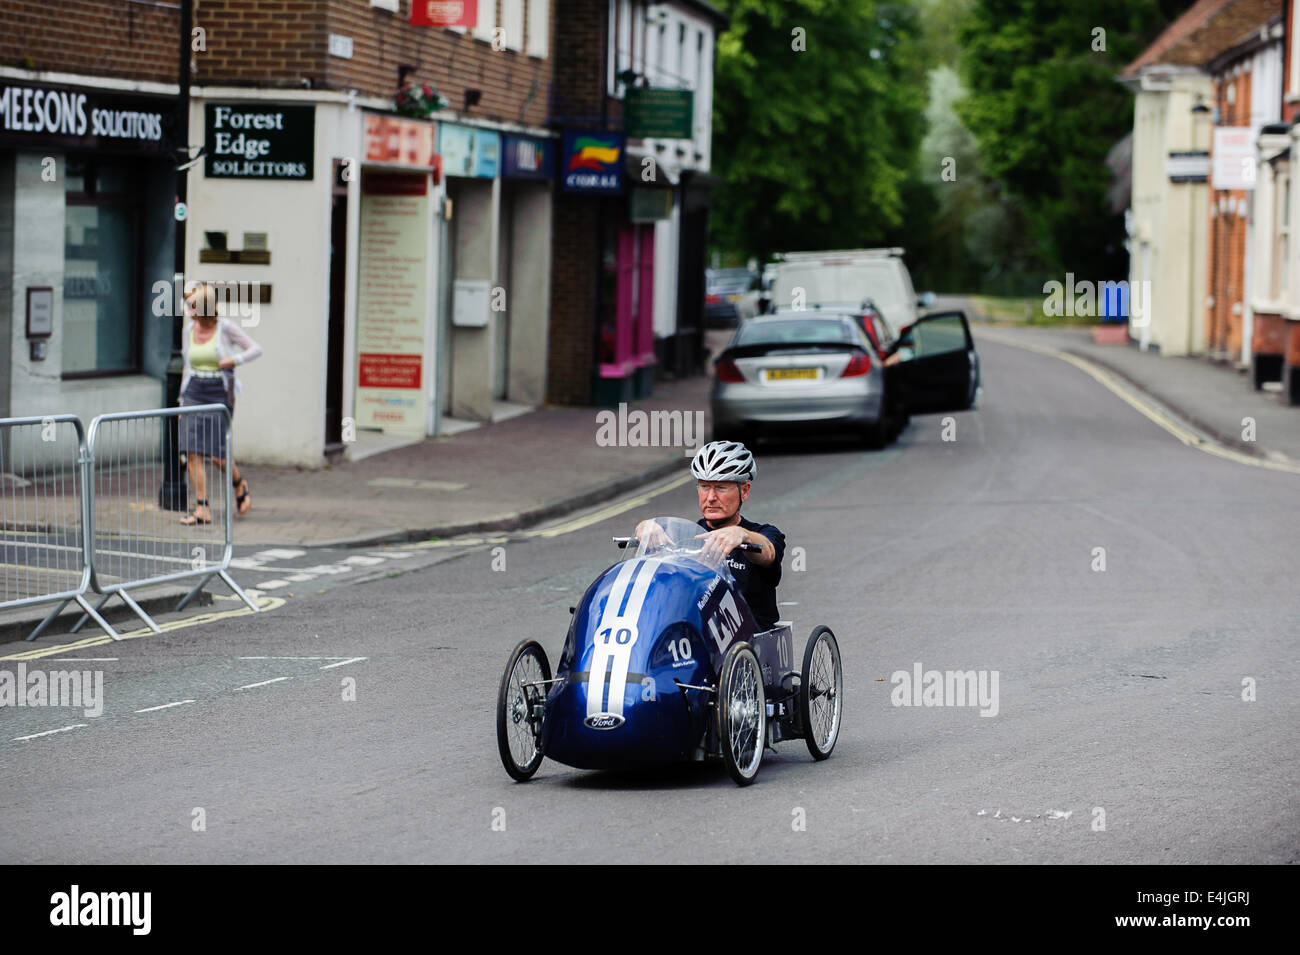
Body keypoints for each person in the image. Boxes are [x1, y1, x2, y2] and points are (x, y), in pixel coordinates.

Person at [636, 440, 785, 631]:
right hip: (695, 631)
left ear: (745, 491)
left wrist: (743, 535)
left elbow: (768, 552)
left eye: (721, 487)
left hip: (747, 637)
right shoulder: (685, 536)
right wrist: (645, 527)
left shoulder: (763, 533)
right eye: (705, 487)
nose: (711, 497)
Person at [178, 282, 263, 525]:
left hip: (218, 392)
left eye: (192, 305)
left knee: (217, 455)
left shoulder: (224, 328)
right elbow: (187, 366)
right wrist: (181, 403)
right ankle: (202, 508)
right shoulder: (188, 331)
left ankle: (239, 485)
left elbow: (256, 349)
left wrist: (233, 360)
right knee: (192, 451)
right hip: (194, 391)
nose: (188, 309)